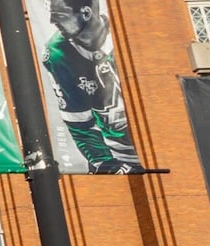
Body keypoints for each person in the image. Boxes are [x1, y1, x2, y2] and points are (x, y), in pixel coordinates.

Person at [43, 0, 140, 173]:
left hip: (156, 143)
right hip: (122, 156)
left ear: (86, 13)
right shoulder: (58, 54)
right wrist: (105, 163)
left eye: (60, 16)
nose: (53, 22)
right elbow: (80, 125)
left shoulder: (125, 29)